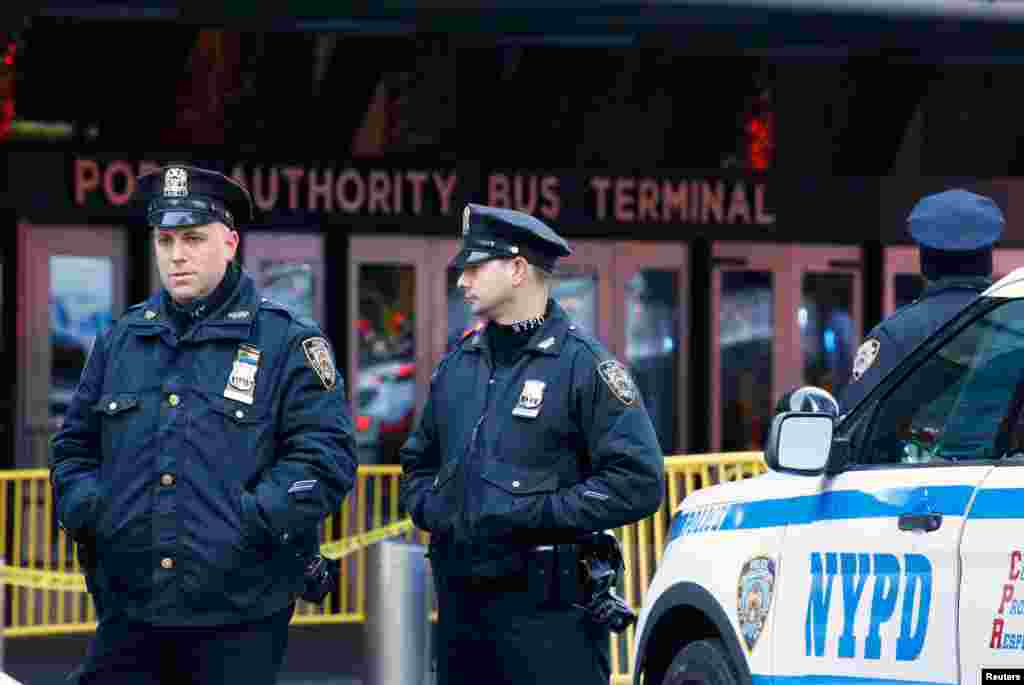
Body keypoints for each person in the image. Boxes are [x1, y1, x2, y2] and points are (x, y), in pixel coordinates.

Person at [50, 164, 357, 684]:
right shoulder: (123, 339)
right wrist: (95, 512)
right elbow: (74, 448)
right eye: (165, 239)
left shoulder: (287, 342)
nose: (177, 254)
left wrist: (248, 522)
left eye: (193, 238)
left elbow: (325, 458)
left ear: (231, 242)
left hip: (238, 616)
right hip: (132, 607)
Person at [400, 203, 665, 685]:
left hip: (550, 618)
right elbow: (418, 462)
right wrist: (433, 508)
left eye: (476, 266)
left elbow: (639, 482)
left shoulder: (584, 367)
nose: (462, 280)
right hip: (463, 615)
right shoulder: (459, 364)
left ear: (519, 269)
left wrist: (537, 515)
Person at [840, 188, 1004, 413]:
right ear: (988, 261)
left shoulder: (894, 334)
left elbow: (853, 423)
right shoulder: (1016, 324)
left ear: (925, 264)